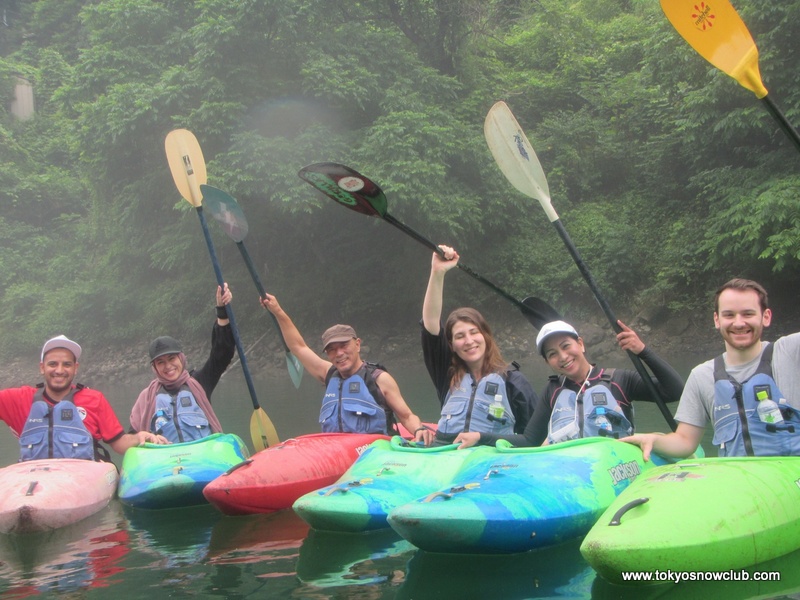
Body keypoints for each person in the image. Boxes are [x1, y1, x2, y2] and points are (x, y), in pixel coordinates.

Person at [624, 278, 800, 460]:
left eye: (748, 314)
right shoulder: (702, 376)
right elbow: (685, 441)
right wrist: (653, 439)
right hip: (740, 483)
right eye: (729, 315)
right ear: (717, 319)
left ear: (766, 317)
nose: (739, 323)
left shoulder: (790, 352)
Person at [455, 318, 684, 449]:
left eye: (566, 346)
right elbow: (530, 439)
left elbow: (674, 391)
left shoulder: (619, 379)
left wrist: (642, 351)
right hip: (570, 470)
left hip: (614, 467)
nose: (563, 357)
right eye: (553, 354)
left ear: (581, 344)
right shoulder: (553, 391)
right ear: (547, 361)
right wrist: (480, 437)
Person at [261, 293, 435, 445]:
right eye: (332, 349)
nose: (339, 353)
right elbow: (298, 347)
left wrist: (418, 430)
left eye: (344, 345)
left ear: (357, 344)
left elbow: (406, 416)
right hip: (336, 451)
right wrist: (278, 311)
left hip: (374, 454)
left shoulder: (378, 379)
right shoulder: (329, 374)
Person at [421, 245, 538, 445]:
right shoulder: (446, 374)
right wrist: (437, 272)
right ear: (452, 344)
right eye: (460, 336)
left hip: (492, 462)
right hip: (445, 457)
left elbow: (532, 438)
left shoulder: (513, 381)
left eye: (474, 332)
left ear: (485, 335)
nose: (469, 341)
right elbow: (430, 325)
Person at [0, 335, 166, 462]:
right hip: (35, 482)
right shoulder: (19, 398)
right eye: (52, 364)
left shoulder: (94, 399)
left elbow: (119, 443)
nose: (59, 370)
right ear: (42, 368)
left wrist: (139, 437)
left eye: (66, 364)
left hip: (81, 481)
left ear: (75, 368)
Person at [129, 284, 235, 443]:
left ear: (181, 358)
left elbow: (222, 354)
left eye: (172, 358)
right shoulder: (147, 397)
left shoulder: (199, 382)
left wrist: (222, 311)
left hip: (201, 456)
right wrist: (141, 437)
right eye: (161, 362)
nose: (168, 366)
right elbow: (131, 437)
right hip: (166, 460)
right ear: (155, 368)